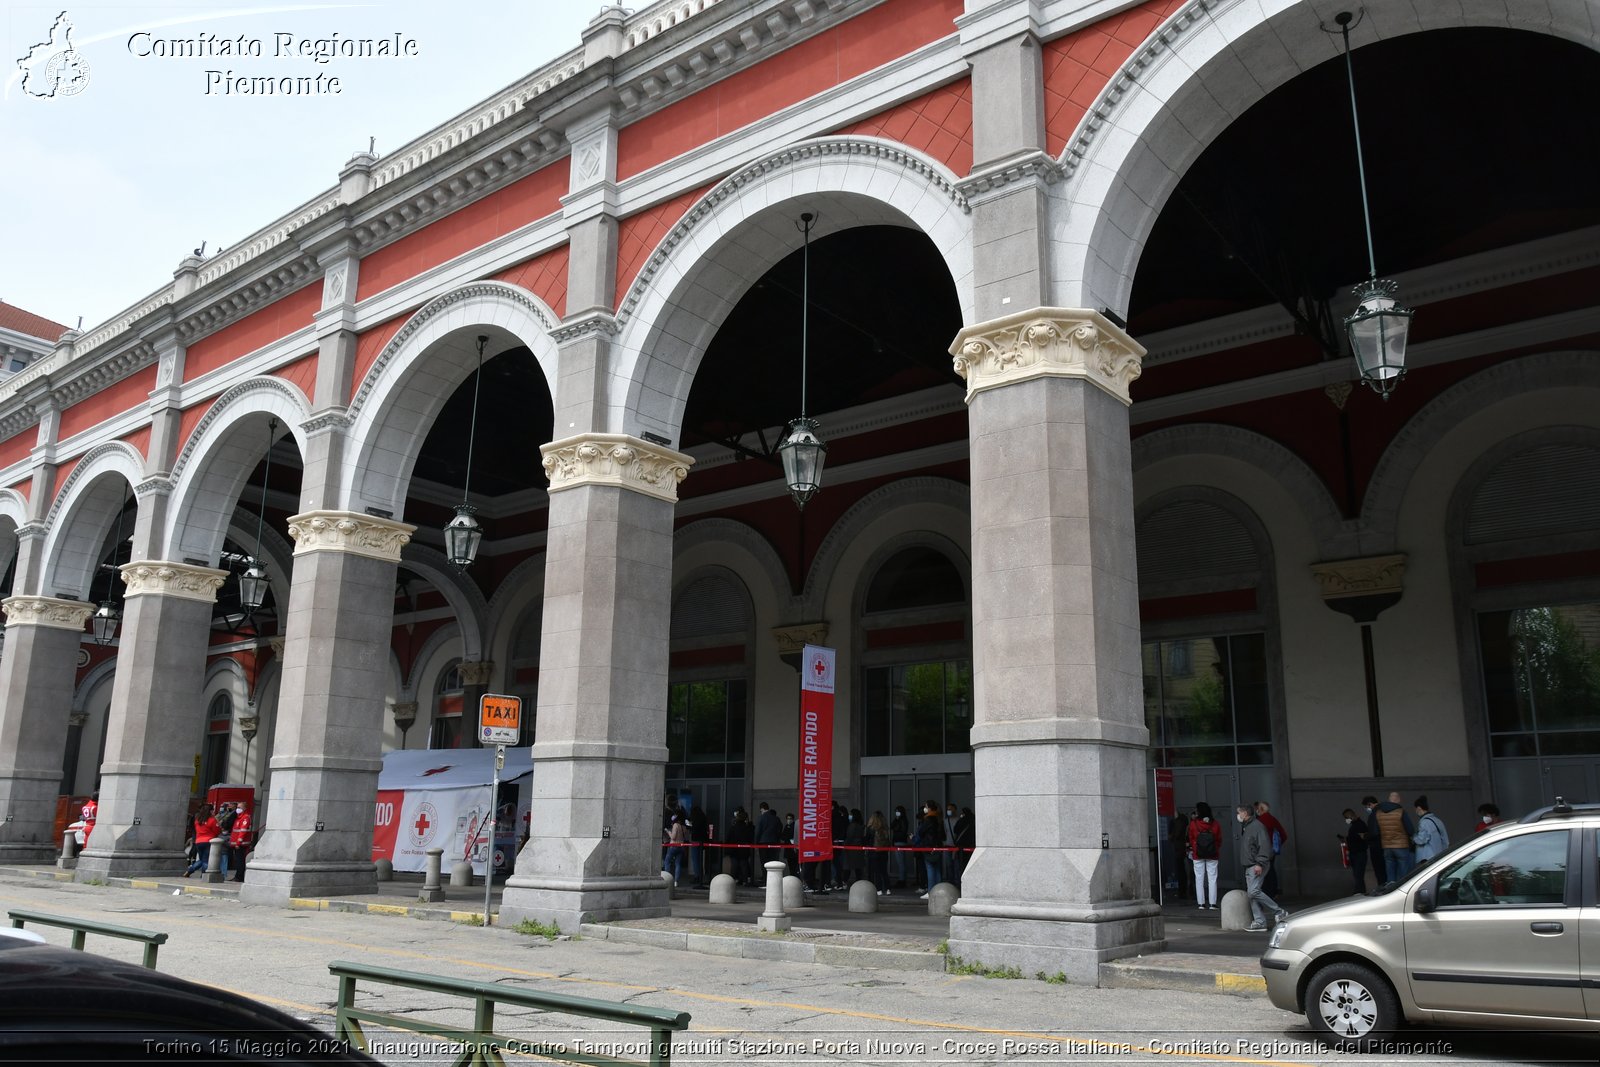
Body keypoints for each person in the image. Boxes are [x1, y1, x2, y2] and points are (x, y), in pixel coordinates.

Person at [1236, 804, 1286, 931]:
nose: (1238, 815)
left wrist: (1259, 863)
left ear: (1245, 813)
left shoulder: (1256, 826)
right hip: (1251, 864)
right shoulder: (1249, 826)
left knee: (1253, 892)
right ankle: (1259, 922)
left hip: (1256, 864)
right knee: (1252, 894)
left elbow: (1264, 846)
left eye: (1239, 812)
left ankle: (1278, 911)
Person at [1372, 790, 1415, 882]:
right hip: (1401, 846)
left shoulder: (1379, 813)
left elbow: (1375, 831)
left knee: (1390, 873)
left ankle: (1391, 890)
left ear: (1389, 799)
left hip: (1387, 847)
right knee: (1403, 875)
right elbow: (1410, 830)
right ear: (1398, 800)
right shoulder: (1401, 811)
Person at [1187, 801, 1222, 910]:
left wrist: (1195, 846)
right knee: (1212, 879)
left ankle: (1201, 903)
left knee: (1199, 878)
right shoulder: (1215, 824)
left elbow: (1191, 837)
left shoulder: (1193, 823)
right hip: (1213, 854)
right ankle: (1212, 903)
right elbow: (1219, 839)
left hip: (1198, 854)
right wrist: (1214, 848)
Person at [1253, 800, 1288, 897]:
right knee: (1271, 869)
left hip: (1261, 849)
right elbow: (1283, 835)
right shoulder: (1272, 819)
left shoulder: (1259, 821)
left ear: (1260, 809)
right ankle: (1273, 891)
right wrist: (1276, 845)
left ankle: (1265, 891)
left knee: (1263, 870)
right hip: (1272, 849)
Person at [184, 804, 227, 877]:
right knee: (206, 860)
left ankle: (190, 870)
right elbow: (217, 831)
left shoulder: (198, 820)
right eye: (212, 810)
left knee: (201, 859)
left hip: (198, 841)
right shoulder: (212, 820)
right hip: (209, 841)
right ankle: (204, 875)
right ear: (210, 811)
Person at [1339, 806, 1372, 895]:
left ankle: (1359, 893)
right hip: (1356, 853)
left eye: (1346, 818)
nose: (1346, 820)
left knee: (1358, 875)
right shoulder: (1355, 825)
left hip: (1359, 854)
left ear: (1350, 816)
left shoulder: (1360, 825)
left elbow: (1360, 838)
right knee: (1357, 875)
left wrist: (1348, 839)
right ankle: (1360, 892)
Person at [917, 801, 945, 898]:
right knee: (937, 869)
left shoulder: (928, 820)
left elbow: (920, 832)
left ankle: (930, 891)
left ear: (929, 808)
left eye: (926, 806)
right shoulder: (939, 819)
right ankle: (939, 891)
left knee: (930, 869)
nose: (924, 808)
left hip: (929, 846)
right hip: (938, 846)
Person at [1411, 795, 1449, 864]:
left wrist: (1414, 837)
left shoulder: (1424, 822)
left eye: (1415, 809)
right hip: (1440, 854)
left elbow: (1421, 840)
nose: (1415, 811)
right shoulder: (1438, 820)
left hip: (1428, 857)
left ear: (1419, 808)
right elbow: (1445, 840)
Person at [1360, 795, 1386, 886]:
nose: (1366, 809)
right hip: (1386, 845)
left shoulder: (1374, 814)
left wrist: (1365, 836)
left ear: (1370, 804)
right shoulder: (1385, 811)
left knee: (1380, 872)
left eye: (1366, 807)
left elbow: (1374, 832)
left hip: (1377, 846)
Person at [727, 807, 755, 885]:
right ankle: (745, 880)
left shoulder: (733, 827)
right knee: (744, 865)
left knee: (734, 866)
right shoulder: (747, 828)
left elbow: (728, 838)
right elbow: (750, 838)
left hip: (734, 849)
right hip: (744, 850)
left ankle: (733, 880)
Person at [866, 810, 891, 895]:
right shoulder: (885, 828)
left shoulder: (871, 829)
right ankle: (888, 889)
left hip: (874, 852)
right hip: (884, 852)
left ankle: (878, 889)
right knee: (884, 871)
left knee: (876, 871)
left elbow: (867, 840)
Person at [228, 802, 252, 882]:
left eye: (240, 807)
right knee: (238, 861)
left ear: (244, 808)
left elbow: (243, 831)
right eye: (237, 807)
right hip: (236, 843)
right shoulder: (239, 818)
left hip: (241, 844)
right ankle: (238, 876)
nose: (238, 809)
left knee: (240, 861)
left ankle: (239, 877)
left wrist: (238, 842)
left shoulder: (245, 818)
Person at [952, 806, 975, 889]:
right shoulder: (974, 820)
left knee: (961, 866)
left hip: (962, 847)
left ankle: (961, 884)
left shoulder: (962, 820)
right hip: (972, 846)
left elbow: (955, 829)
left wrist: (960, 819)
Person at [689, 804, 710, 887]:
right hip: (702, 840)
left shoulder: (695, 820)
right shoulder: (703, 818)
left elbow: (694, 830)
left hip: (696, 840)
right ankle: (700, 876)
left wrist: (690, 826)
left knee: (695, 859)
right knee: (700, 859)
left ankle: (697, 876)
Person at [754, 802, 781, 867]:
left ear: (762, 809)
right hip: (774, 843)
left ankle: (765, 876)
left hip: (763, 843)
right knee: (773, 862)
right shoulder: (776, 818)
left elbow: (758, 832)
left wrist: (755, 843)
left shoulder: (761, 818)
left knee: (764, 862)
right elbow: (779, 830)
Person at [662, 814, 686, 886]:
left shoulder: (675, 825)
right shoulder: (683, 827)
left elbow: (673, 837)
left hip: (673, 846)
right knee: (678, 864)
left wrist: (668, 831)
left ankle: (667, 879)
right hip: (681, 847)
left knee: (667, 862)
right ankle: (676, 881)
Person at [889, 806, 910, 888]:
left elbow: (902, 830)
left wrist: (896, 825)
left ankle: (902, 880)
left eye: (898, 811)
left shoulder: (903, 820)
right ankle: (902, 879)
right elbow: (891, 826)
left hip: (900, 842)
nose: (896, 813)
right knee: (901, 862)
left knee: (901, 862)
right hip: (899, 841)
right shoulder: (898, 819)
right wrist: (896, 819)